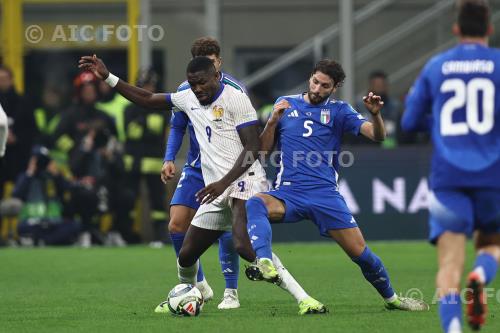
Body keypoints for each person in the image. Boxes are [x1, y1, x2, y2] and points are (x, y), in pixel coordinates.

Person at [78, 54, 326, 315]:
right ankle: (190, 295)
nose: (198, 89)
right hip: (215, 190)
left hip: (245, 182)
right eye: (193, 83)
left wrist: (223, 183)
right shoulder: (188, 98)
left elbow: (253, 148)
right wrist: (108, 77)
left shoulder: (236, 98)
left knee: (244, 246)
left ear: (216, 77)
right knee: (186, 256)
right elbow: (148, 99)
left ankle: (305, 299)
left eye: (202, 83)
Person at [244, 59, 429, 314]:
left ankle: (393, 299)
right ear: (310, 78)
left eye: (325, 86)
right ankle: (265, 262)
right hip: (288, 193)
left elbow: (378, 136)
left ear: (335, 87)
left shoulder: (340, 111)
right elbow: (262, 152)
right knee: (255, 203)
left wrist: (375, 115)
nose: (317, 88)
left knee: (362, 255)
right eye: (315, 82)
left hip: (325, 196)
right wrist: (273, 121)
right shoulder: (284, 104)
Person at [402, 1, 500, 331]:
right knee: (492, 245)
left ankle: (453, 327)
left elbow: (410, 121)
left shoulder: (436, 66)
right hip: (493, 176)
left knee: (448, 264)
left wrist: (439, 123)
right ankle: (482, 274)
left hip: (448, 176)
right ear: (489, 29)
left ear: (455, 29)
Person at [161, 37, 246, 309]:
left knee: (225, 229)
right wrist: (169, 158)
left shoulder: (235, 91)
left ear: (219, 61)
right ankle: (198, 284)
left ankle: (231, 291)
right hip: (197, 167)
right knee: (176, 223)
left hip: (225, 169)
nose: (207, 71)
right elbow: (178, 127)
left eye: (212, 62)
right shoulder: (186, 91)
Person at [123, 69, 170, 244]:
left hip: (154, 163)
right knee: (129, 200)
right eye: (144, 85)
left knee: (157, 202)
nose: (147, 88)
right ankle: (128, 236)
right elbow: (131, 133)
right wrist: (147, 127)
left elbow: (158, 131)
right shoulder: (129, 108)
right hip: (133, 163)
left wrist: (143, 126)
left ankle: (159, 236)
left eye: (150, 85)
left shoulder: (161, 107)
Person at [13, 146, 80, 246]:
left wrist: (56, 174)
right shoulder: (26, 177)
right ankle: (50, 241)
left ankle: (42, 241)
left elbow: (68, 189)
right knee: (22, 228)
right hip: (33, 221)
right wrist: (30, 172)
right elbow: (17, 194)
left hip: (53, 221)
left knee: (74, 226)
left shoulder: (54, 178)